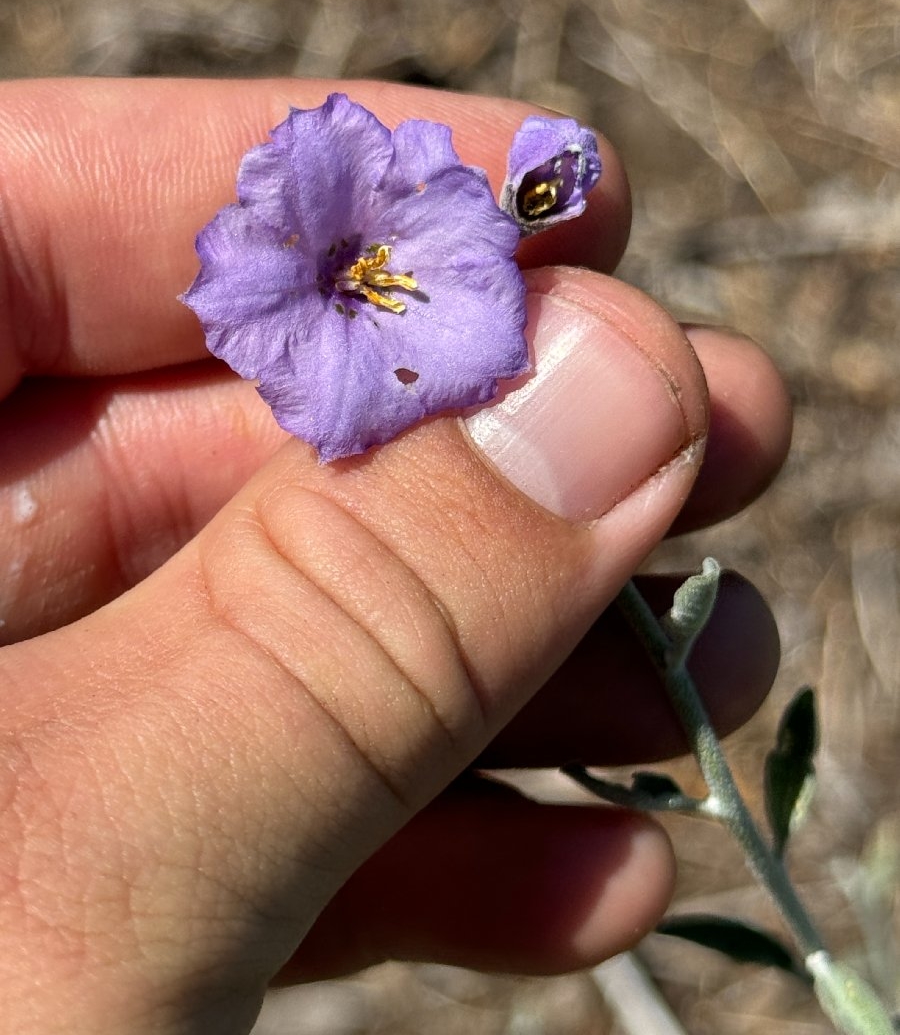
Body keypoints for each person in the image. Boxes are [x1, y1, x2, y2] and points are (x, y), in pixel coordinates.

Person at [0, 78, 791, 1034]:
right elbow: (320, 349)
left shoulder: (424, 242)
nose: (366, 276)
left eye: (369, 267)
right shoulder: (271, 286)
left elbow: (464, 273)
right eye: (357, 271)